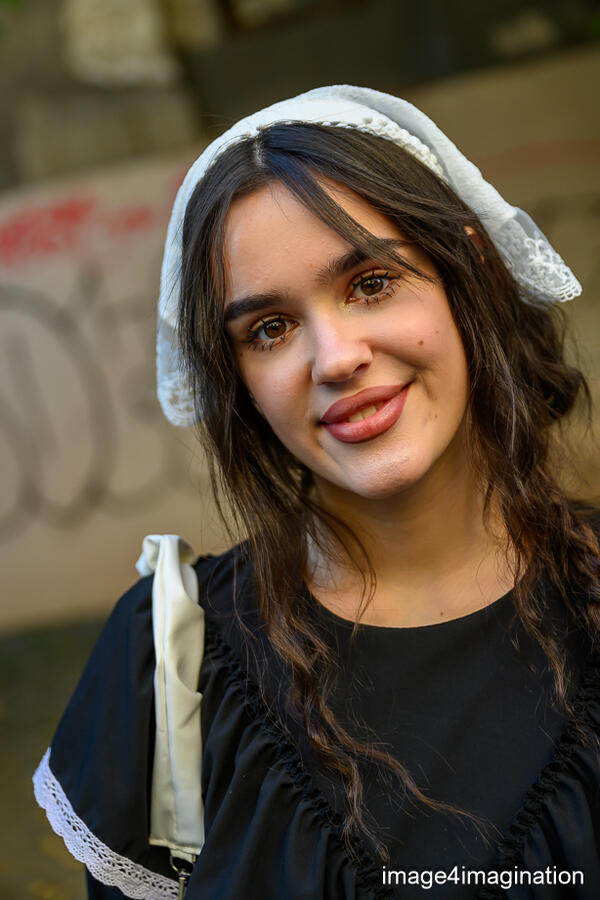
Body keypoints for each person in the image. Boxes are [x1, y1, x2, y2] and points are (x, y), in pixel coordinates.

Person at [33, 85, 600, 900]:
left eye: (371, 282)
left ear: (470, 269)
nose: (335, 358)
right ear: (238, 382)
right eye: (270, 328)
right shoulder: (173, 662)